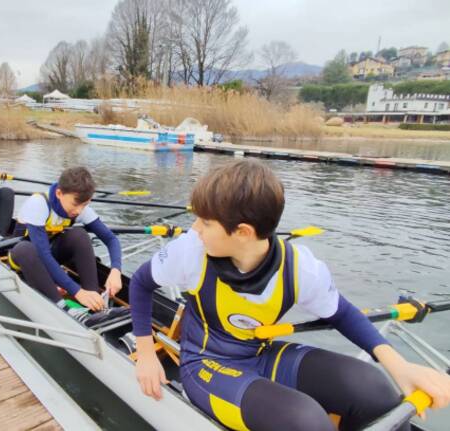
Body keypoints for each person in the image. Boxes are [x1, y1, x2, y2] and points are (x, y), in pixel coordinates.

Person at [129, 159, 450, 431]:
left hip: (260, 355)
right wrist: (145, 355)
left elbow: (341, 314)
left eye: (206, 222)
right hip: (204, 364)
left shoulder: (301, 268)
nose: (195, 228)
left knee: (374, 390)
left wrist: (400, 367)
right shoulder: (190, 251)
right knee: (306, 421)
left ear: (243, 232)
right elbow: (141, 284)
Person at [9, 166, 125, 327]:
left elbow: (111, 239)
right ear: (59, 193)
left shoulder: (79, 206)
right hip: (23, 260)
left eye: (85, 205)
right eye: (76, 204)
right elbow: (43, 255)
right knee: (26, 249)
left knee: (79, 235)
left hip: (49, 258)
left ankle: (95, 303)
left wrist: (116, 270)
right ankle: (63, 308)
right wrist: (76, 291)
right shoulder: (39, 203)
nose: (79, 210)